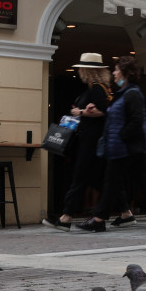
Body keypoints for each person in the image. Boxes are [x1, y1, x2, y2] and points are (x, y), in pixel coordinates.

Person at [77, 57, 146, 232]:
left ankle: (99, 219)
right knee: (142, 180)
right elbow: (117, 115)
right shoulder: (125, 93)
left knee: (111, 182)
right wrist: (96, 110)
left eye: (116, 70)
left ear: (125, 73)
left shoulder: (133, 93)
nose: (114, 73)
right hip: (126, 147)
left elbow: (136, 120)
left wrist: (122, 136)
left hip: (125, 147)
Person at [45, 55, 113, 231]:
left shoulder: (97, 88)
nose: (79, 71)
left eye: (81, 68)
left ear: (87, 70)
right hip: (89, 138)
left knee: (80, 176)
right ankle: (125, 211)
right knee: (95, 178)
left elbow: (103, 111)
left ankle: (66, 217)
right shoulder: (95, 88)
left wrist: (80, 112)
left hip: (90, 140)